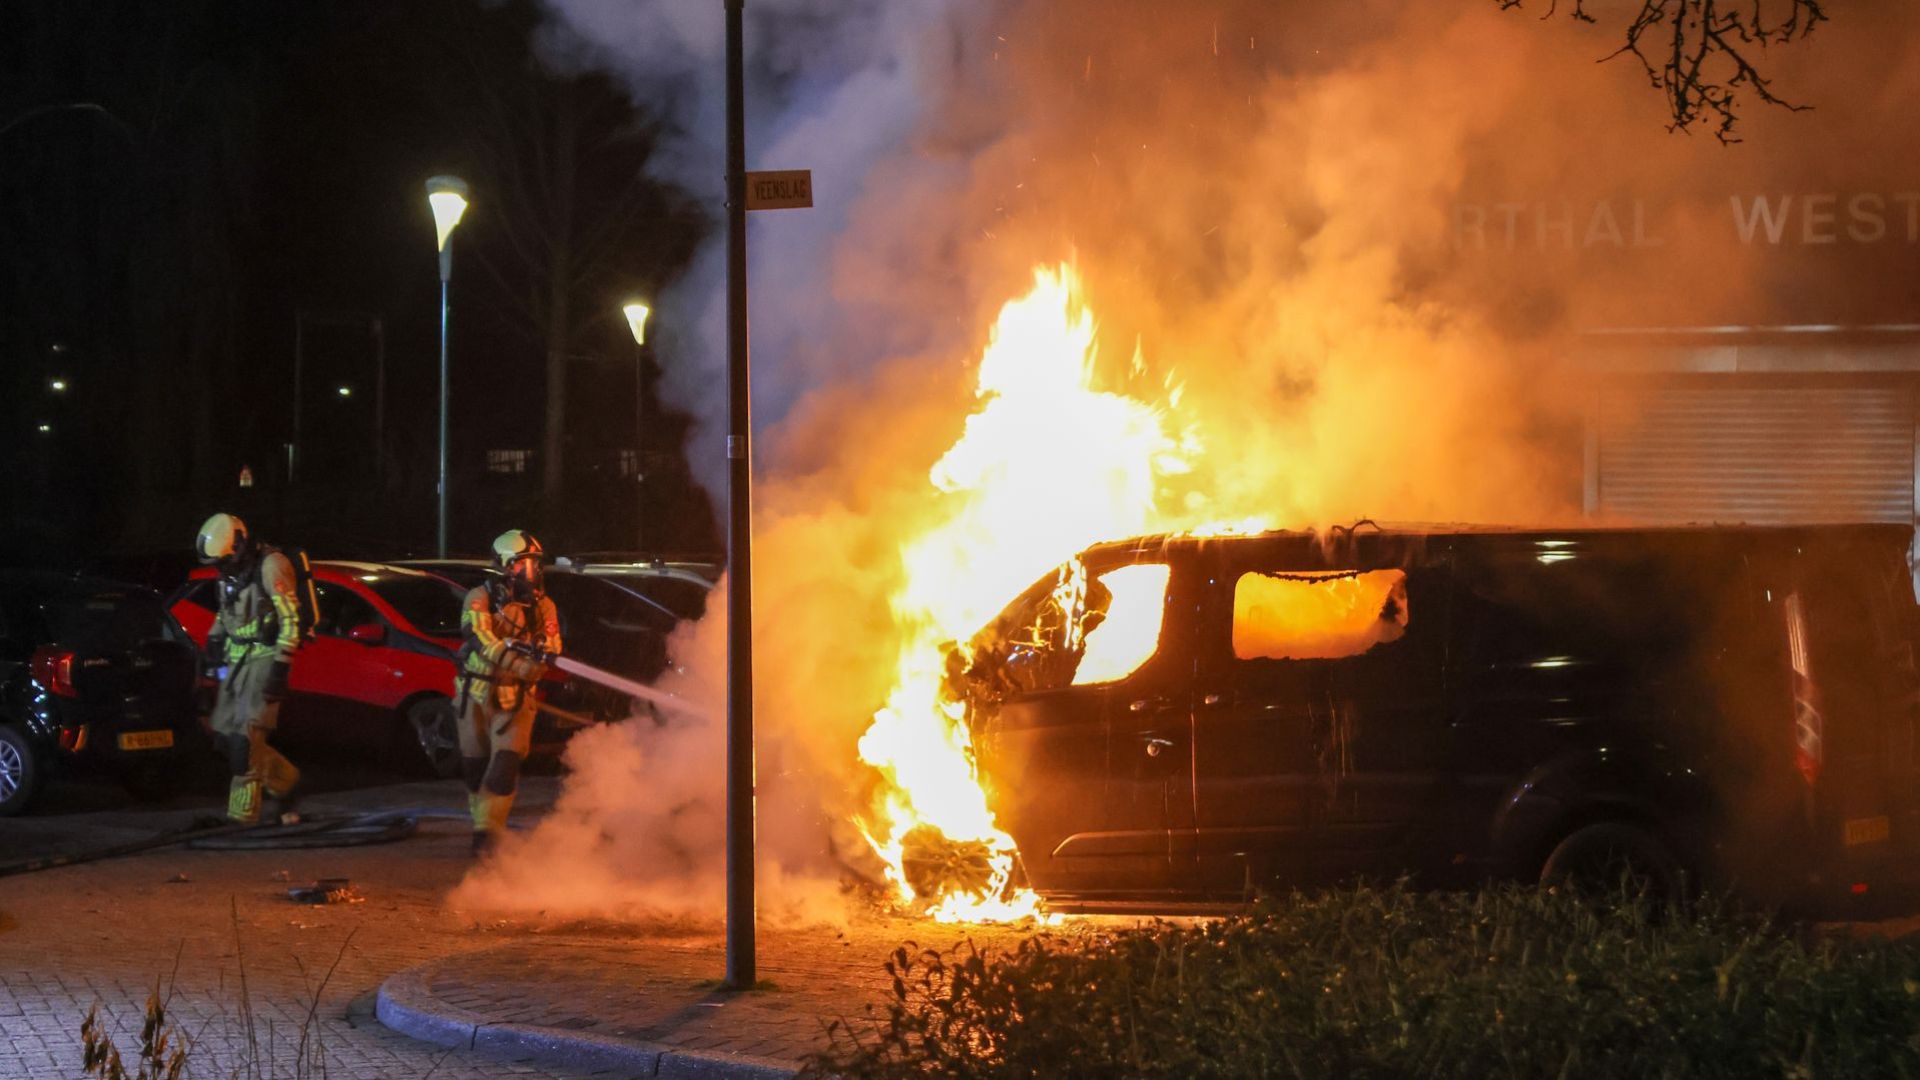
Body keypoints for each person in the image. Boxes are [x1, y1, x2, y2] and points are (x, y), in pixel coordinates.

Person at [456, 529, 562, 855]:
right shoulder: (479, 597)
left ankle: (486, 836)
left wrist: (542, 659)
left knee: (503, 770)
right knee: (474, 771)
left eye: (534, 565)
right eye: (523, 564)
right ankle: (482, 823)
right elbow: (479, 637)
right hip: (474, 696)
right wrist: (517, 663)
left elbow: (554, 642)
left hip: (516, 701)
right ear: (505, 566)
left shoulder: (544, 607)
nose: (531, 572)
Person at [195, 512, 302, 825]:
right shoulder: (229, 570)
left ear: (239, 546)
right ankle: (288, 783)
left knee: (244, 743)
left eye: (223, 561)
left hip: (264, 657)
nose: (220, 568)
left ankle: (241, 817)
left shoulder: (271, 566)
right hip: (236, 659)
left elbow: (291, 620)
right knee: (225, 738)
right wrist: (213, 645)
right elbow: (226, 611)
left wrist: (280, 669)